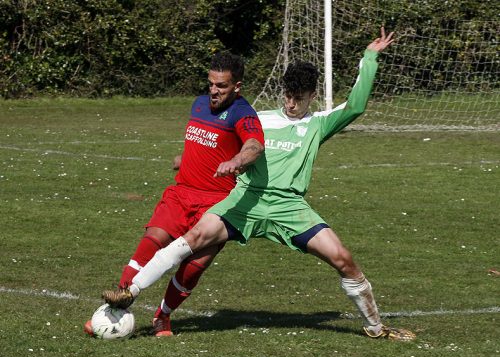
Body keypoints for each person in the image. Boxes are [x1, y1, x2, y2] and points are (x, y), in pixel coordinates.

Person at [104, 28, 416, 341]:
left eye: (299, 98)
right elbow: (228, 139)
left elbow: (356, 107)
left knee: (344, 260)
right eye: (288, 96)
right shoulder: (259, 117)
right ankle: (130, 291)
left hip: (289, 207)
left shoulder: (319, 124)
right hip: (245, 200)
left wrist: (370, 56)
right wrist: (192, 159)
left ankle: (377, 329)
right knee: (192, 237)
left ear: (311, 96)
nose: (292, 103)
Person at [85, 51, 265, 336]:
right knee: (150, 242)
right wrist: (185, 159)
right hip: (182, 193)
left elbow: (254, 145)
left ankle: (162, 317)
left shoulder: (244, 114)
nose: (213, 91)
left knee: (193, 267)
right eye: (211, 84)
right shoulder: (198, 104)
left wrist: (236, 161)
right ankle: (114, 310)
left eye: (221, 86)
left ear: (237, 87)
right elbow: (203, 141)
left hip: (217, 204)